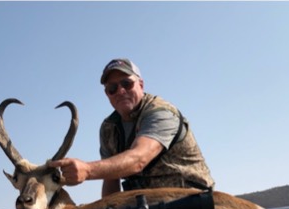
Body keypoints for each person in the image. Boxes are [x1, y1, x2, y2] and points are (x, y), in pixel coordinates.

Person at [49, 58, 215, 197]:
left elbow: (138, 159)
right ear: (107, 94)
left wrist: (87, 170)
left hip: (192, 201)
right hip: (145, 207)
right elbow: (110, 180)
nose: (120, 91)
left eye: (127, 84)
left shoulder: (161, 113)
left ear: (141, 84)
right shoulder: (108, 128)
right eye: (112, 88)